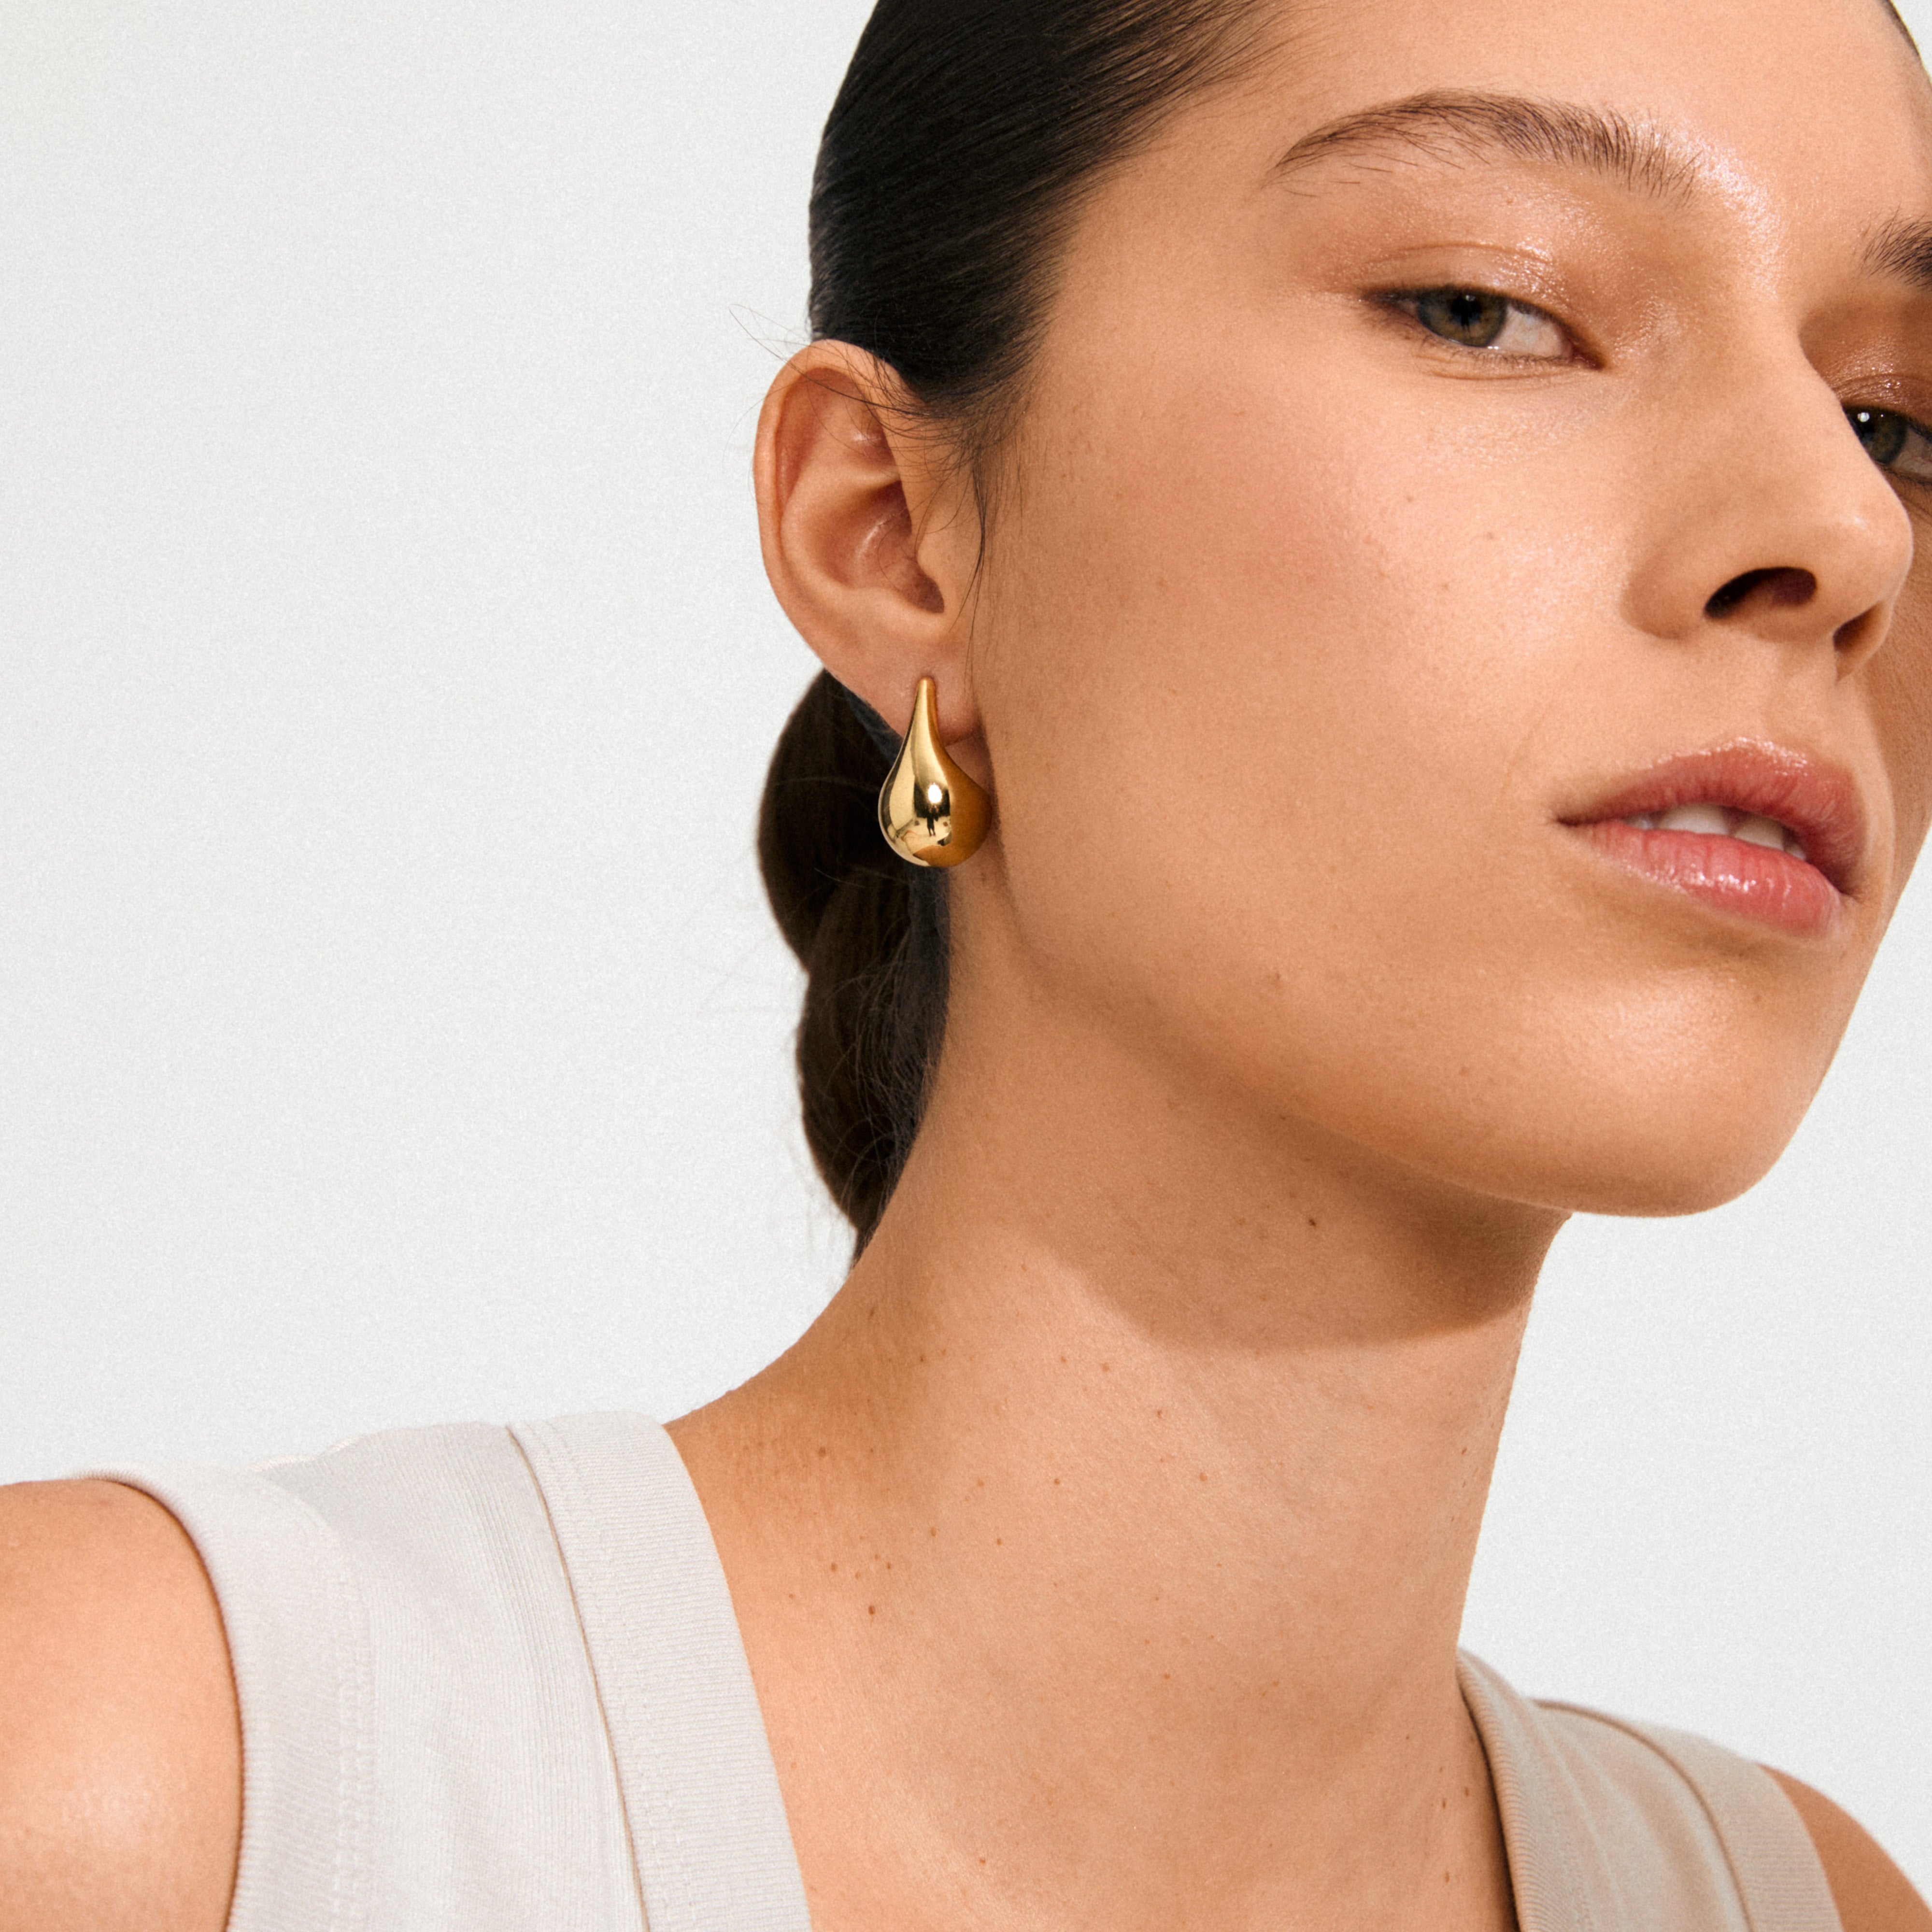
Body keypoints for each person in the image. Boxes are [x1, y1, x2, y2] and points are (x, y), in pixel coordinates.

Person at [5, 0, 1932, 1925]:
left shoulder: (1801, 1907)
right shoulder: (151, 1786)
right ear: (897, 539)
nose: (1843, 528)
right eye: (1484, 305)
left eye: (1895, 419)